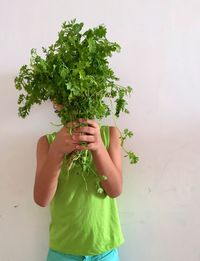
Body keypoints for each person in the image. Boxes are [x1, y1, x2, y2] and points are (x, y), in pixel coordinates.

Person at [33, 100, 125, 261]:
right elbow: (41, 199)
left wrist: (98, 147)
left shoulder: (110, 135)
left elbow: (115, 190)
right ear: (56, 102)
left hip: (104, 250)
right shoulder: (46, 143)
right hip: (62, 252)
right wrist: (56, 151)